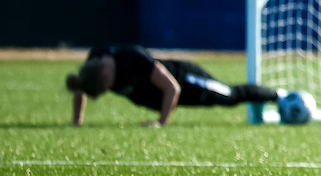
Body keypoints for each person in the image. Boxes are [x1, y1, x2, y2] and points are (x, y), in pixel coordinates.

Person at [67, 44, 283, 127]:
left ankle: (278, 96)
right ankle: (263, 103)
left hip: (187, 81)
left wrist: (161, 123)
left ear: (106, 72)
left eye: (107, 87)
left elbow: (173, 88)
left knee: (230, 96)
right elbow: (80, 88)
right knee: (226, 100)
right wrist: (77, 121)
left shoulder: (132, 58)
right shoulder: (95, 59)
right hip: (163, 99)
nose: (109, 91)